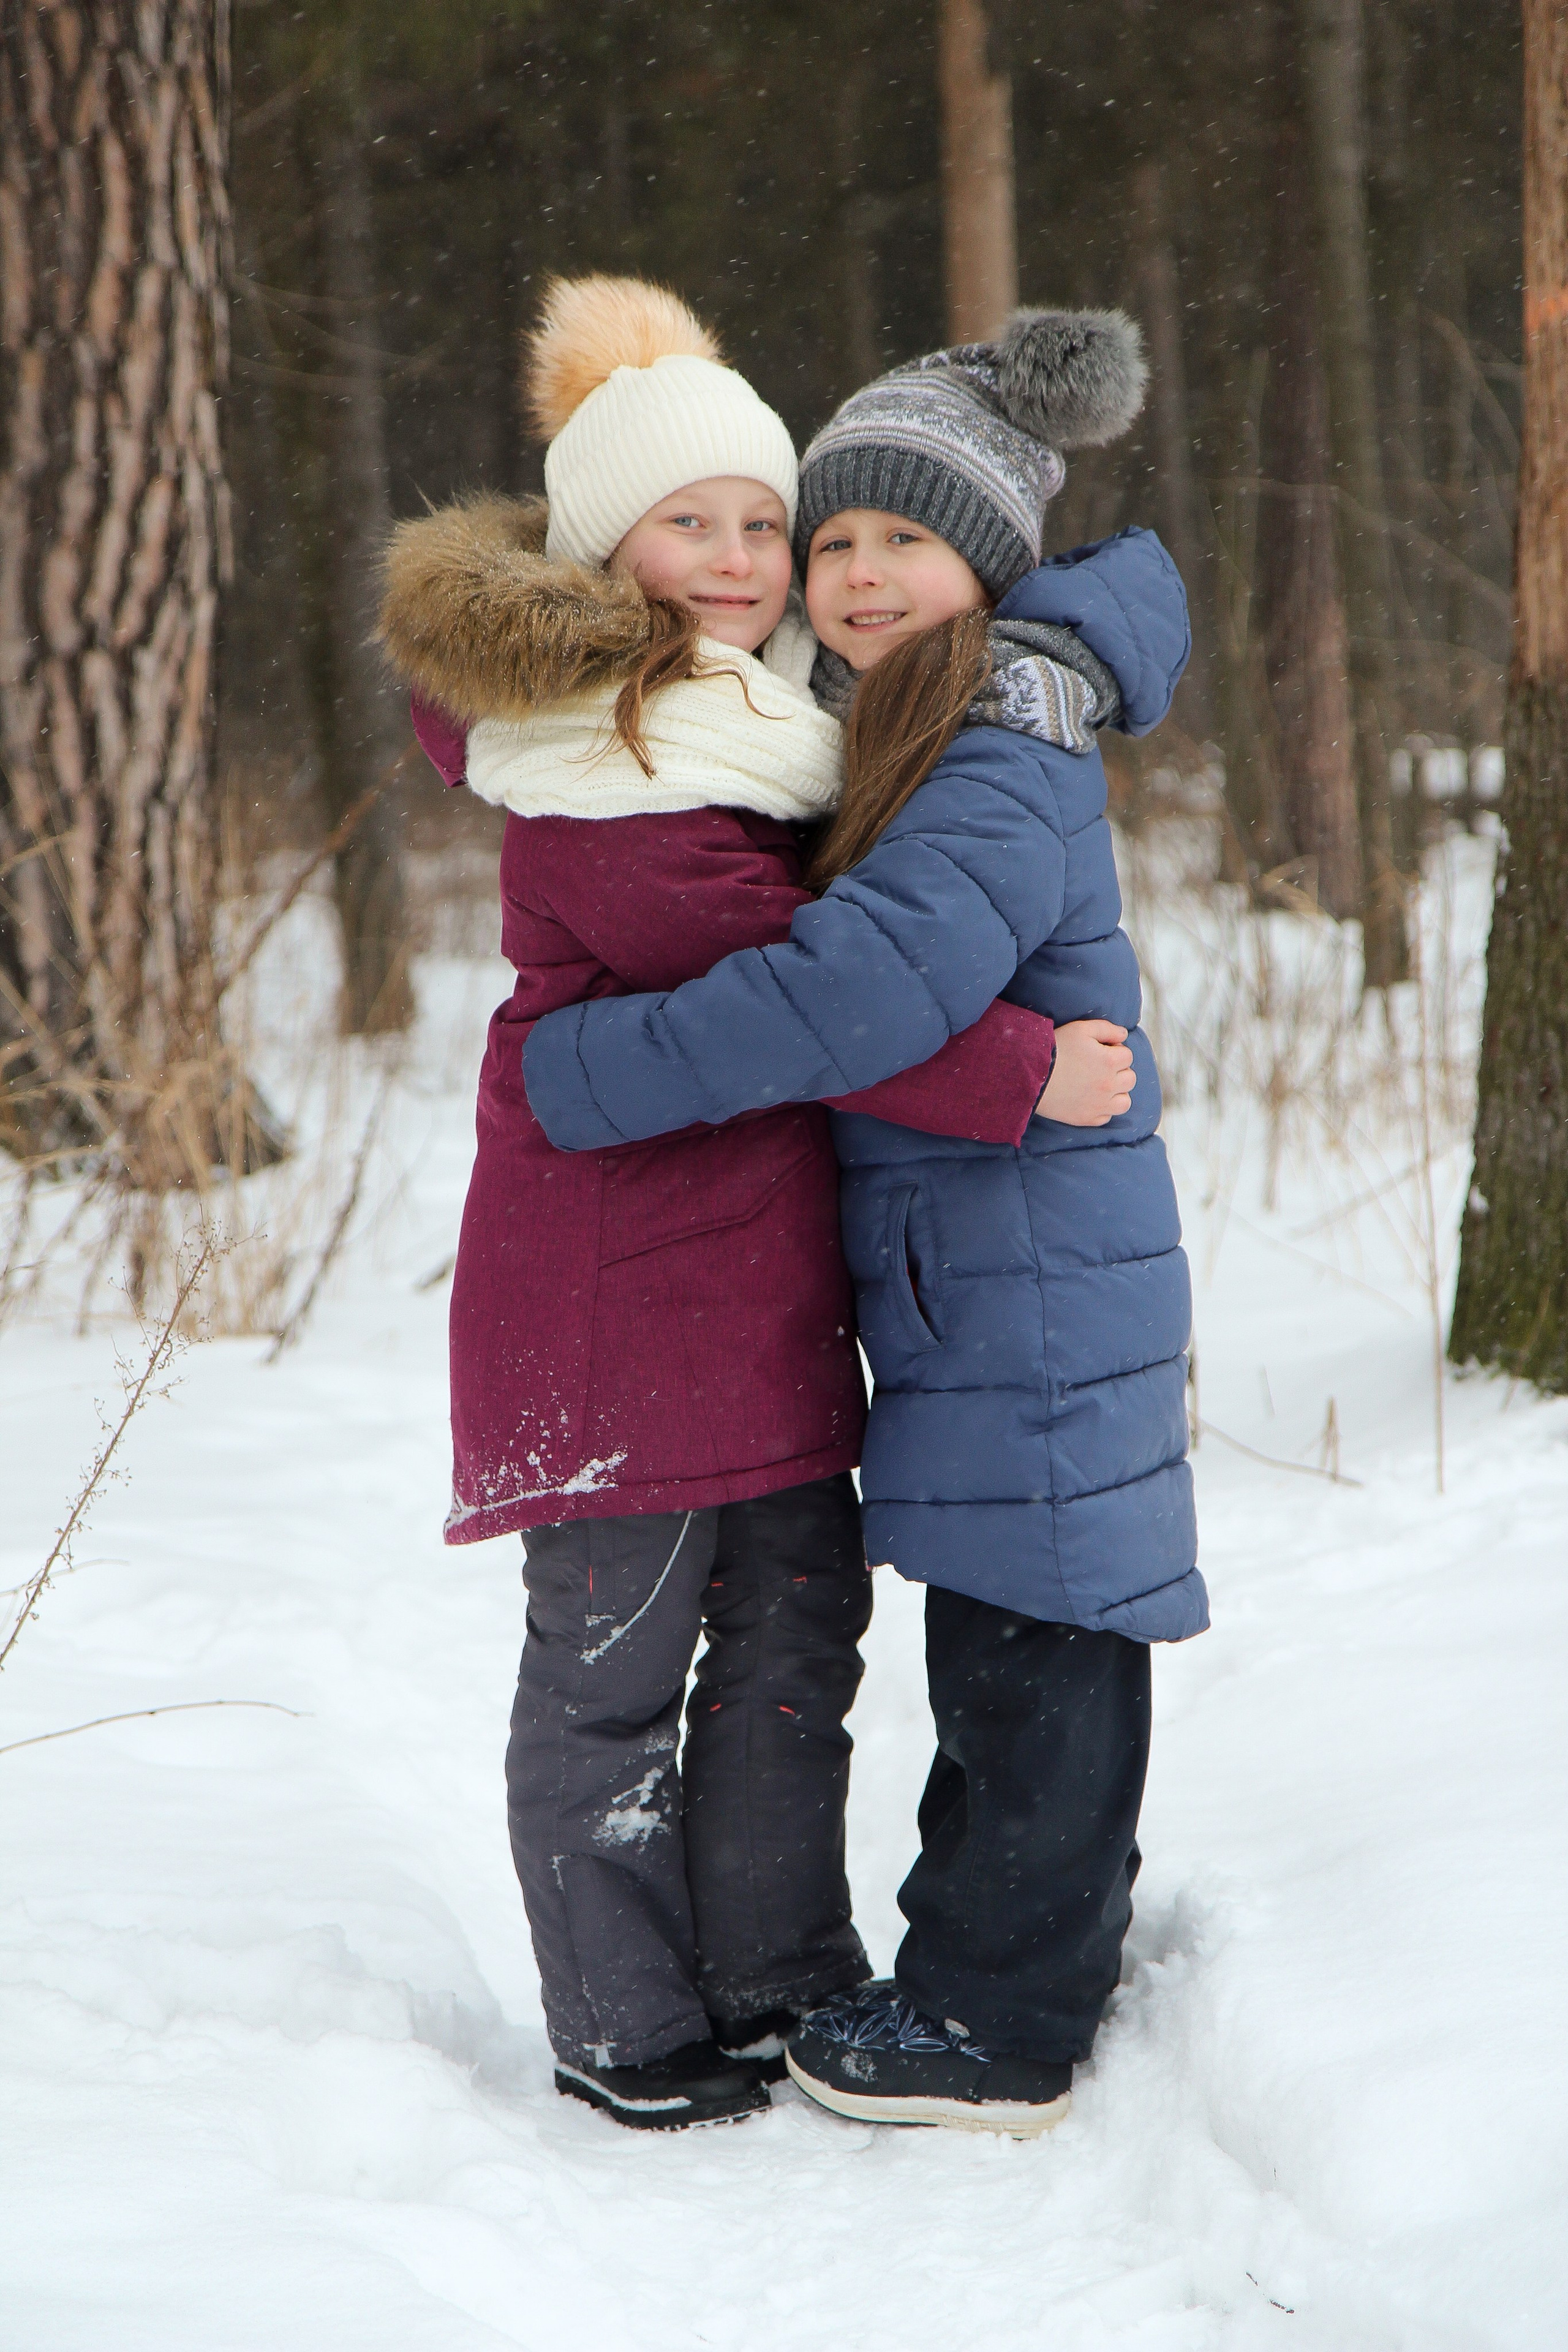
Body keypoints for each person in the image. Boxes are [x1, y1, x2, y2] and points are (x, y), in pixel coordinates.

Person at [379, 277, 1123, 2131]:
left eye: (758, 523)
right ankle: (625, 2012)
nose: (735, 558)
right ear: (597, 547)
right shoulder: (602, 761)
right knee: (617, 1676)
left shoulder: (763, 726)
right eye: (685, 523)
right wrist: (1016, 1076)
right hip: (619, 1305)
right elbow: (804, 995)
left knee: (796, 1643)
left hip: (766, 1291)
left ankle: (779, 1969)